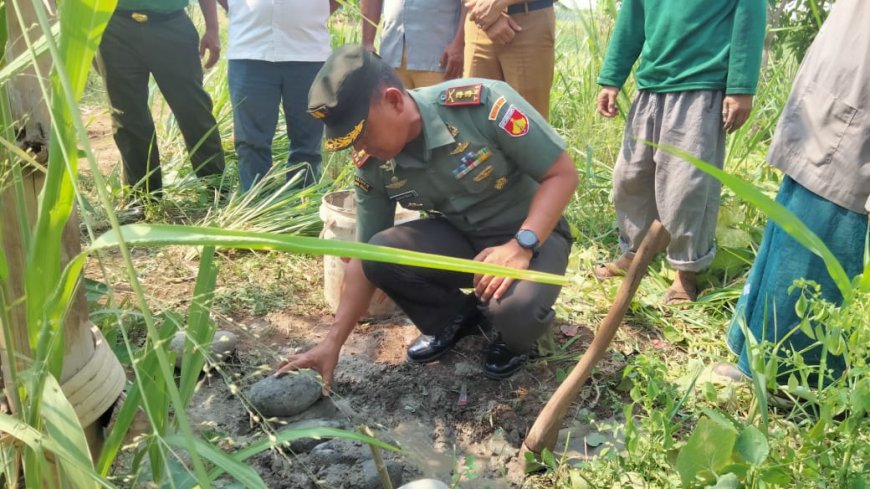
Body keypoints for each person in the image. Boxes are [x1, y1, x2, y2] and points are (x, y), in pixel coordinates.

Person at [277, 45, 578, 387]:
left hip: (534, 235)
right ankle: (457, 321)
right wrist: (331, 345)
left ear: (393, 100)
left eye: (362, 134)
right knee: (382, 253)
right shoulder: (374, 164)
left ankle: (514, 342)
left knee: (514, 311)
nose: (360, 149)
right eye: (351, 143)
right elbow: (365, 257)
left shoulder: (481, 106)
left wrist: (521, 245)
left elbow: (562, 174)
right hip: (462, 238)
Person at [720, 0, 869, 384]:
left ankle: (791, 380)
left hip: (852, 116)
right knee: (801, 214)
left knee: (826, 226)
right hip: (842, 82)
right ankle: (761, 357)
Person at [594, 0, 766, 304]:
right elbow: (632, 18)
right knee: (630, 177)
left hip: (701, 87)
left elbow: (750, 16)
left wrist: (741, 87)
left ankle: (685, 272)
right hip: (651, 86)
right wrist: (612, 78)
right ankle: (637, 251)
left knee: (687, 187)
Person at [99, 0, 225, 198]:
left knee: (193, 109)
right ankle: (142, 197)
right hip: (114, 29)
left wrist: (212, 28)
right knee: (127, 117)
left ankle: (217, 188)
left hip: (171, 26)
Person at [219, 0, 339, 191]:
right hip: (250, 49)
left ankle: (300, 205)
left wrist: (305, 15)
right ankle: (255, 208)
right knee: (251, 141)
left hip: (308, 52)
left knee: (307, 144)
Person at [462, 0, 556, 120]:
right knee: (473, 118)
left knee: (526, 124)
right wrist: (490, 16)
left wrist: (496, 4)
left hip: (528, 17)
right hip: (478, 19)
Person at [361, 0, 465, 89]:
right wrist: (367, 42)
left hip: (438, 56)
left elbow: (469, 3)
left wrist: (459, 43)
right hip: (392, 53)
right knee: (393, 110)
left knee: (436, 111)